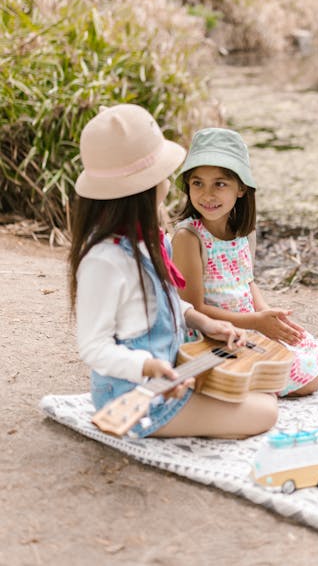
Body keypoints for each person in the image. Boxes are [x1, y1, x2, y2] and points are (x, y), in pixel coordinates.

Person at [69, 104, 278, 439]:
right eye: (163, 174)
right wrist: (148, 368)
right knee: (265, 410)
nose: (169, 181)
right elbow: (93, 347)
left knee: (256, 386)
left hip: (171, 372)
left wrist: (203, 321)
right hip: (139, 396)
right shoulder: (104, 261)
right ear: (146, 187)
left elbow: (160, 303)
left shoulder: (144, 239)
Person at [171, 127, 318, 396]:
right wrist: (256, 322)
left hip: (249, 325)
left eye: (219, 184)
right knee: (311, 378)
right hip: (212, 334)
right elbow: (194, 308)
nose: (207, 194)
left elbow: (246, 281)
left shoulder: (243, 232)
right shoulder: (189, 237)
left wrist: (269, 316)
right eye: (197, 183)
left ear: (241, 189)